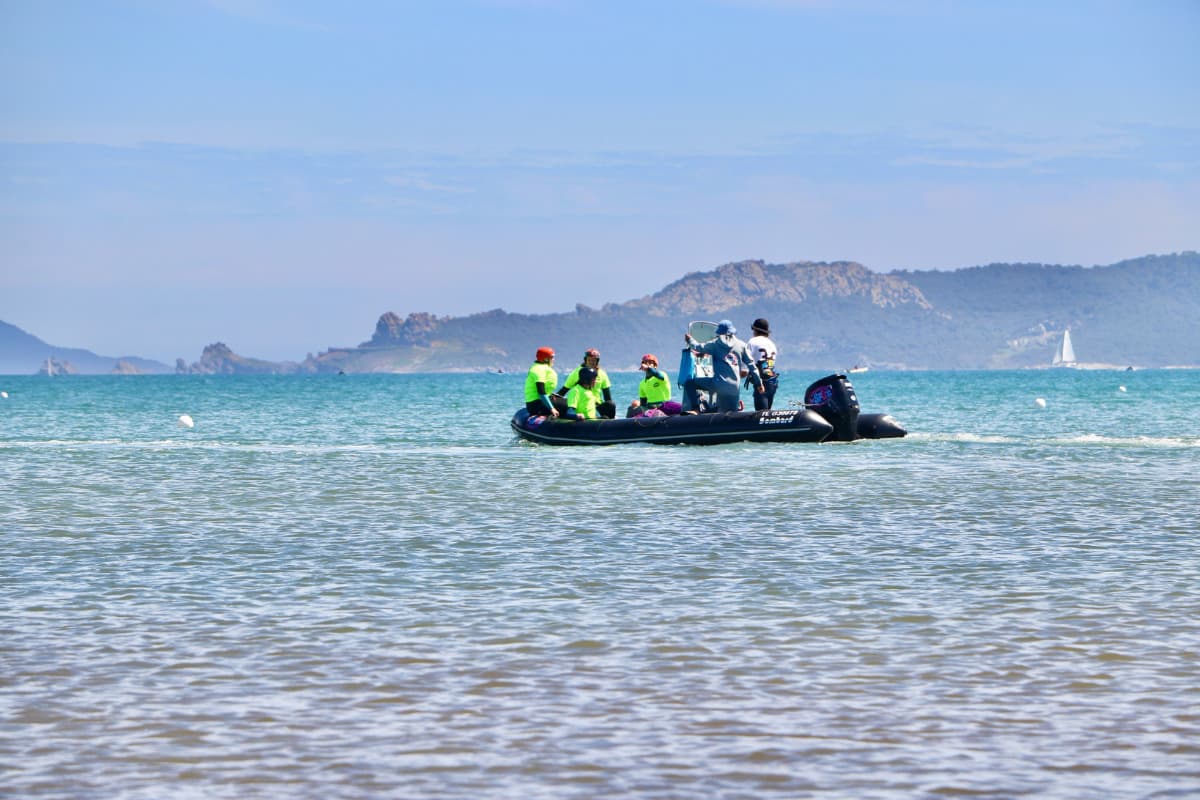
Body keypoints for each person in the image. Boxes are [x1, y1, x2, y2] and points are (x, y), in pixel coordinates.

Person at [682, 320, 763, 413]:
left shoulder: (715, 344)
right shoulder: (741, 345)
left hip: (717, 385)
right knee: (731, 413)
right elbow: (752, 366)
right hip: (734, 389)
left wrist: (690, 340)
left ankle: (696, 409)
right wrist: (759, 384)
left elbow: (698, 347)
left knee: (689, 383)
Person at [555, 348, 615, 418]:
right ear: (585, 360)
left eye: (594, 360)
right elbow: (563, 391)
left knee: (611, 405)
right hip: (581, 405)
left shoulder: (602, 374)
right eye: (589, 360)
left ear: (597, 361)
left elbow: (608, 398)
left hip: (595, 406)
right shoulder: (577, 373)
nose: (591, 362)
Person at [745, 317, 779, 410]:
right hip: (773, 382)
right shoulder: (772, 344)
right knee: (767, 414)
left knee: (761, 414)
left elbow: (746, 359)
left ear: (755, 330)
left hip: (761, 383)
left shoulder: (752, 342)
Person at [523, 346, 559, 417]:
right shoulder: (539, 370)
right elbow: (541, 392)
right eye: (552, 358)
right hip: (537, 404)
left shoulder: (538, 367)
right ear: (546, 359)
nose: (553, 360)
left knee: (566, 401)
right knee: (569, 405)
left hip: (537, 402)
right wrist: (552, 408)